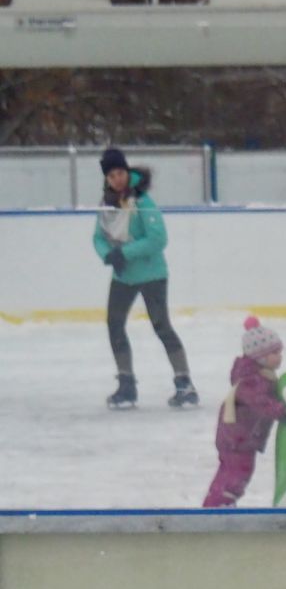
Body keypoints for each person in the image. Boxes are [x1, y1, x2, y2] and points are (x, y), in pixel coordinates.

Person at [93, 147, 197, 411]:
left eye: (120, 173)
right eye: (112, 175)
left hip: (152, 275)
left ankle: (184, 383)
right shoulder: (106, 203)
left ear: (127, 172)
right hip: (124, 275)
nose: (117, 179)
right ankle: (126, 383)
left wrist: (123, 253)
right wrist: (108, 255)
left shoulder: (143, 202)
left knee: (161, 325)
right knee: (114, 324)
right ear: (106, 178)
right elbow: (98, 236)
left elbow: (158, 239)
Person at [203, 317, 286, 508]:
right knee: (239, 471)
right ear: (261, 357)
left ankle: (216, 502)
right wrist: (281, 410)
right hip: (238, 438)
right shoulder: (252, 379)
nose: (280, 356)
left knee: (230, 470)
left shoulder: (258, 374)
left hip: (239, 436)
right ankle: (221, 503)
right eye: (275, 352)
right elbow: (258, 401)